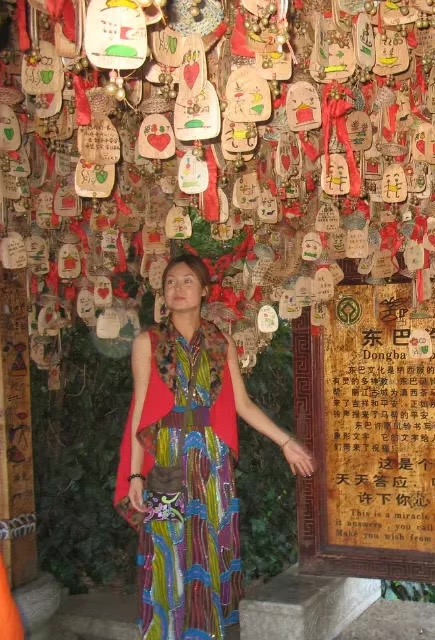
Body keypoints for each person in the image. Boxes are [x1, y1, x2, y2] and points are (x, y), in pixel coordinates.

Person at [114, 254, 314, 640]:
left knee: (209, 552)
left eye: (187, 281)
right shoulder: (148, 342)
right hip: (166, 458)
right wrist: (135, 474)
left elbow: (243, 405)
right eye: (171, 282)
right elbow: (139, 409)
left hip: (212, 463)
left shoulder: (220, 343)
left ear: (204, 291)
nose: (178, 288)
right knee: (166, 551)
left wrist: (286, 442)